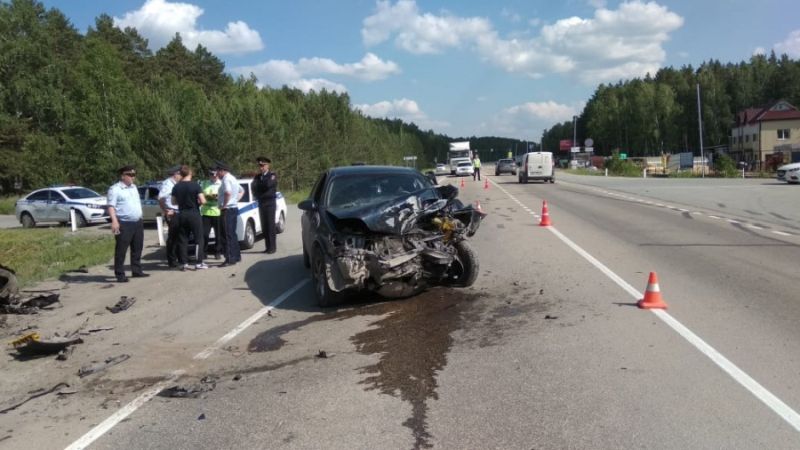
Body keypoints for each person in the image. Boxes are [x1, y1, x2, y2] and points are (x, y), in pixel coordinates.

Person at [107, 165, 148, 282]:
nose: (132, 177)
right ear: (123, 176)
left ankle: (136, 270)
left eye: (134, 175)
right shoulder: (115, 189)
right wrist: (114, 221)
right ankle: (120, 274)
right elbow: (111, 206)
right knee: (121, 249)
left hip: (137, 222)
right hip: (124, 223)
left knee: (137, 247)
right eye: (130, 175)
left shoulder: (134, 187)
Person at [171, 165, 207, 270]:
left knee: (183, 239)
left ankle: (183, 263)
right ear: (190, 173)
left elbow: (173, 202)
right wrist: (197, 203)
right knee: (199, 238)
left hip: (182, 213)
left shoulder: (176, 186)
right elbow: (203, 201)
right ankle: (199, 262)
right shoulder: (195, 185)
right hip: (194, 213)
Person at [215, 161, 242, 267]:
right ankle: (236, 256)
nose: (217, 173)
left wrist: (225, 204)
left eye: (218, 171)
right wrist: (234, 200)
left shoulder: (226, 179)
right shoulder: (233, 178)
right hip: (233, 208)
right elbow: (241, 190)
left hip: (227, 210)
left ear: (222, 170)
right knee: (232, 234)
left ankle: (230, 258)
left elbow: (228, 192)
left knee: (226, 235)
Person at [251, 156, 278, 254]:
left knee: (270, 226)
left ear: (267, 165)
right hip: (261, 203)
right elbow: (253, 187)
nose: (261, 167)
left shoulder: (272, 175)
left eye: (263, 165)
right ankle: (267, 247)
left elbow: (268, 185)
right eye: (260, 166)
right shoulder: (257, 177)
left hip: (270, 204)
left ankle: (272, 247)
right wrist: (260, 186)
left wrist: (260, 186)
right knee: (264, 226)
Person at [158, 165, 183, 267]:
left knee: (179, 236)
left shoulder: (177, 183)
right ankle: (172, 260)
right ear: (175, 174)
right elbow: (160, 198)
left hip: (179, 212)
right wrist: (165, 210)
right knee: (173, 237)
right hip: (172, 213)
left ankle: (180, 257)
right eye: (180, 174)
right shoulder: (167, 184)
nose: (181, 176)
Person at [200, 169, 222, 260]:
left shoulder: (221, 183)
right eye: (211, 174)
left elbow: (221, 196)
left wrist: (210, 197)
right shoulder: (204, 183)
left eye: (215, 174)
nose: (213, 176)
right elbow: (201, 195)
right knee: (204, 234)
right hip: (206, 212)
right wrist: (212, 196)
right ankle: (204, 252)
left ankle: (217, 252)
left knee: (218, 235)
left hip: (217, 212)